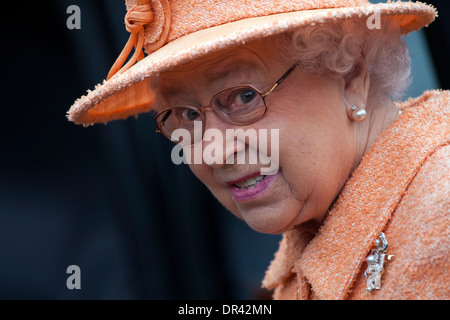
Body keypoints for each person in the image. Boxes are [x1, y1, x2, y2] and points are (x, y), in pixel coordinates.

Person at [68, 0, 449, 299]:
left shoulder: (440, 216)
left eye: (244, 97)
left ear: (351, 76)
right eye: (185, 114)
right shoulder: (315, 247)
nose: (212, 152)